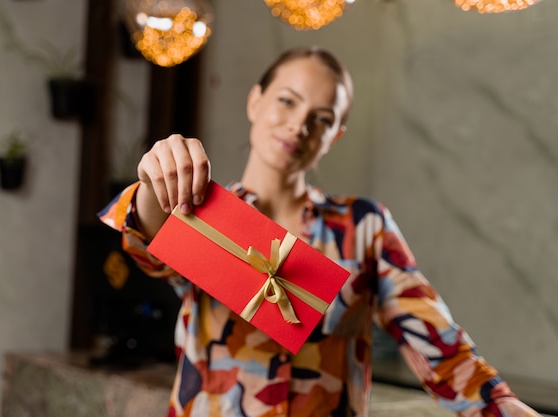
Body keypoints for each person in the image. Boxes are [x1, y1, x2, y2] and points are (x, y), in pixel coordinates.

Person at [98, 46, 541, 417]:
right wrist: (158, 182)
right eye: (287, 101)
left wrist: (508, 407)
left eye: (323, 118)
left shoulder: (364, 227)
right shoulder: (206, 214)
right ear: (256, 101)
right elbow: (149, 248)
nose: (299, 125)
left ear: (335, 136)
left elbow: (441, 349)